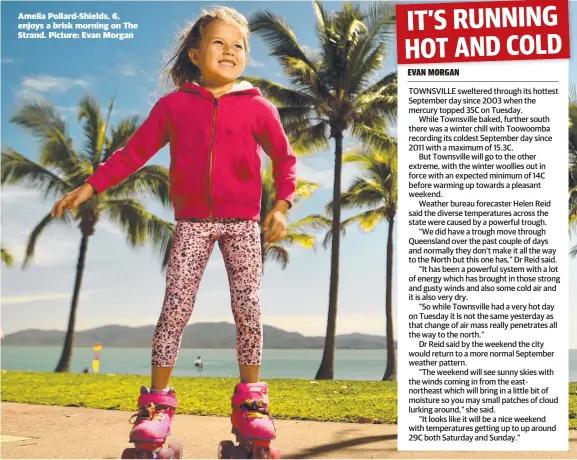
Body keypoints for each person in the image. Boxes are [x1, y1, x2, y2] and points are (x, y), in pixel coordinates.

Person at [50, 6, 296, 451]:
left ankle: (251, 405)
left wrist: (280, 206)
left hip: (242, 223)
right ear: (196, 53)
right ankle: (156, 407)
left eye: (238, 45)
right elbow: (131, 154)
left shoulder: (259, 107)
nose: (229, 51)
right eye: (218, 43)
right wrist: (89, 187)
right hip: (192, 224)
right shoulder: (174, 106)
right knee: (175, 309)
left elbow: (284, 160)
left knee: (249, 311)